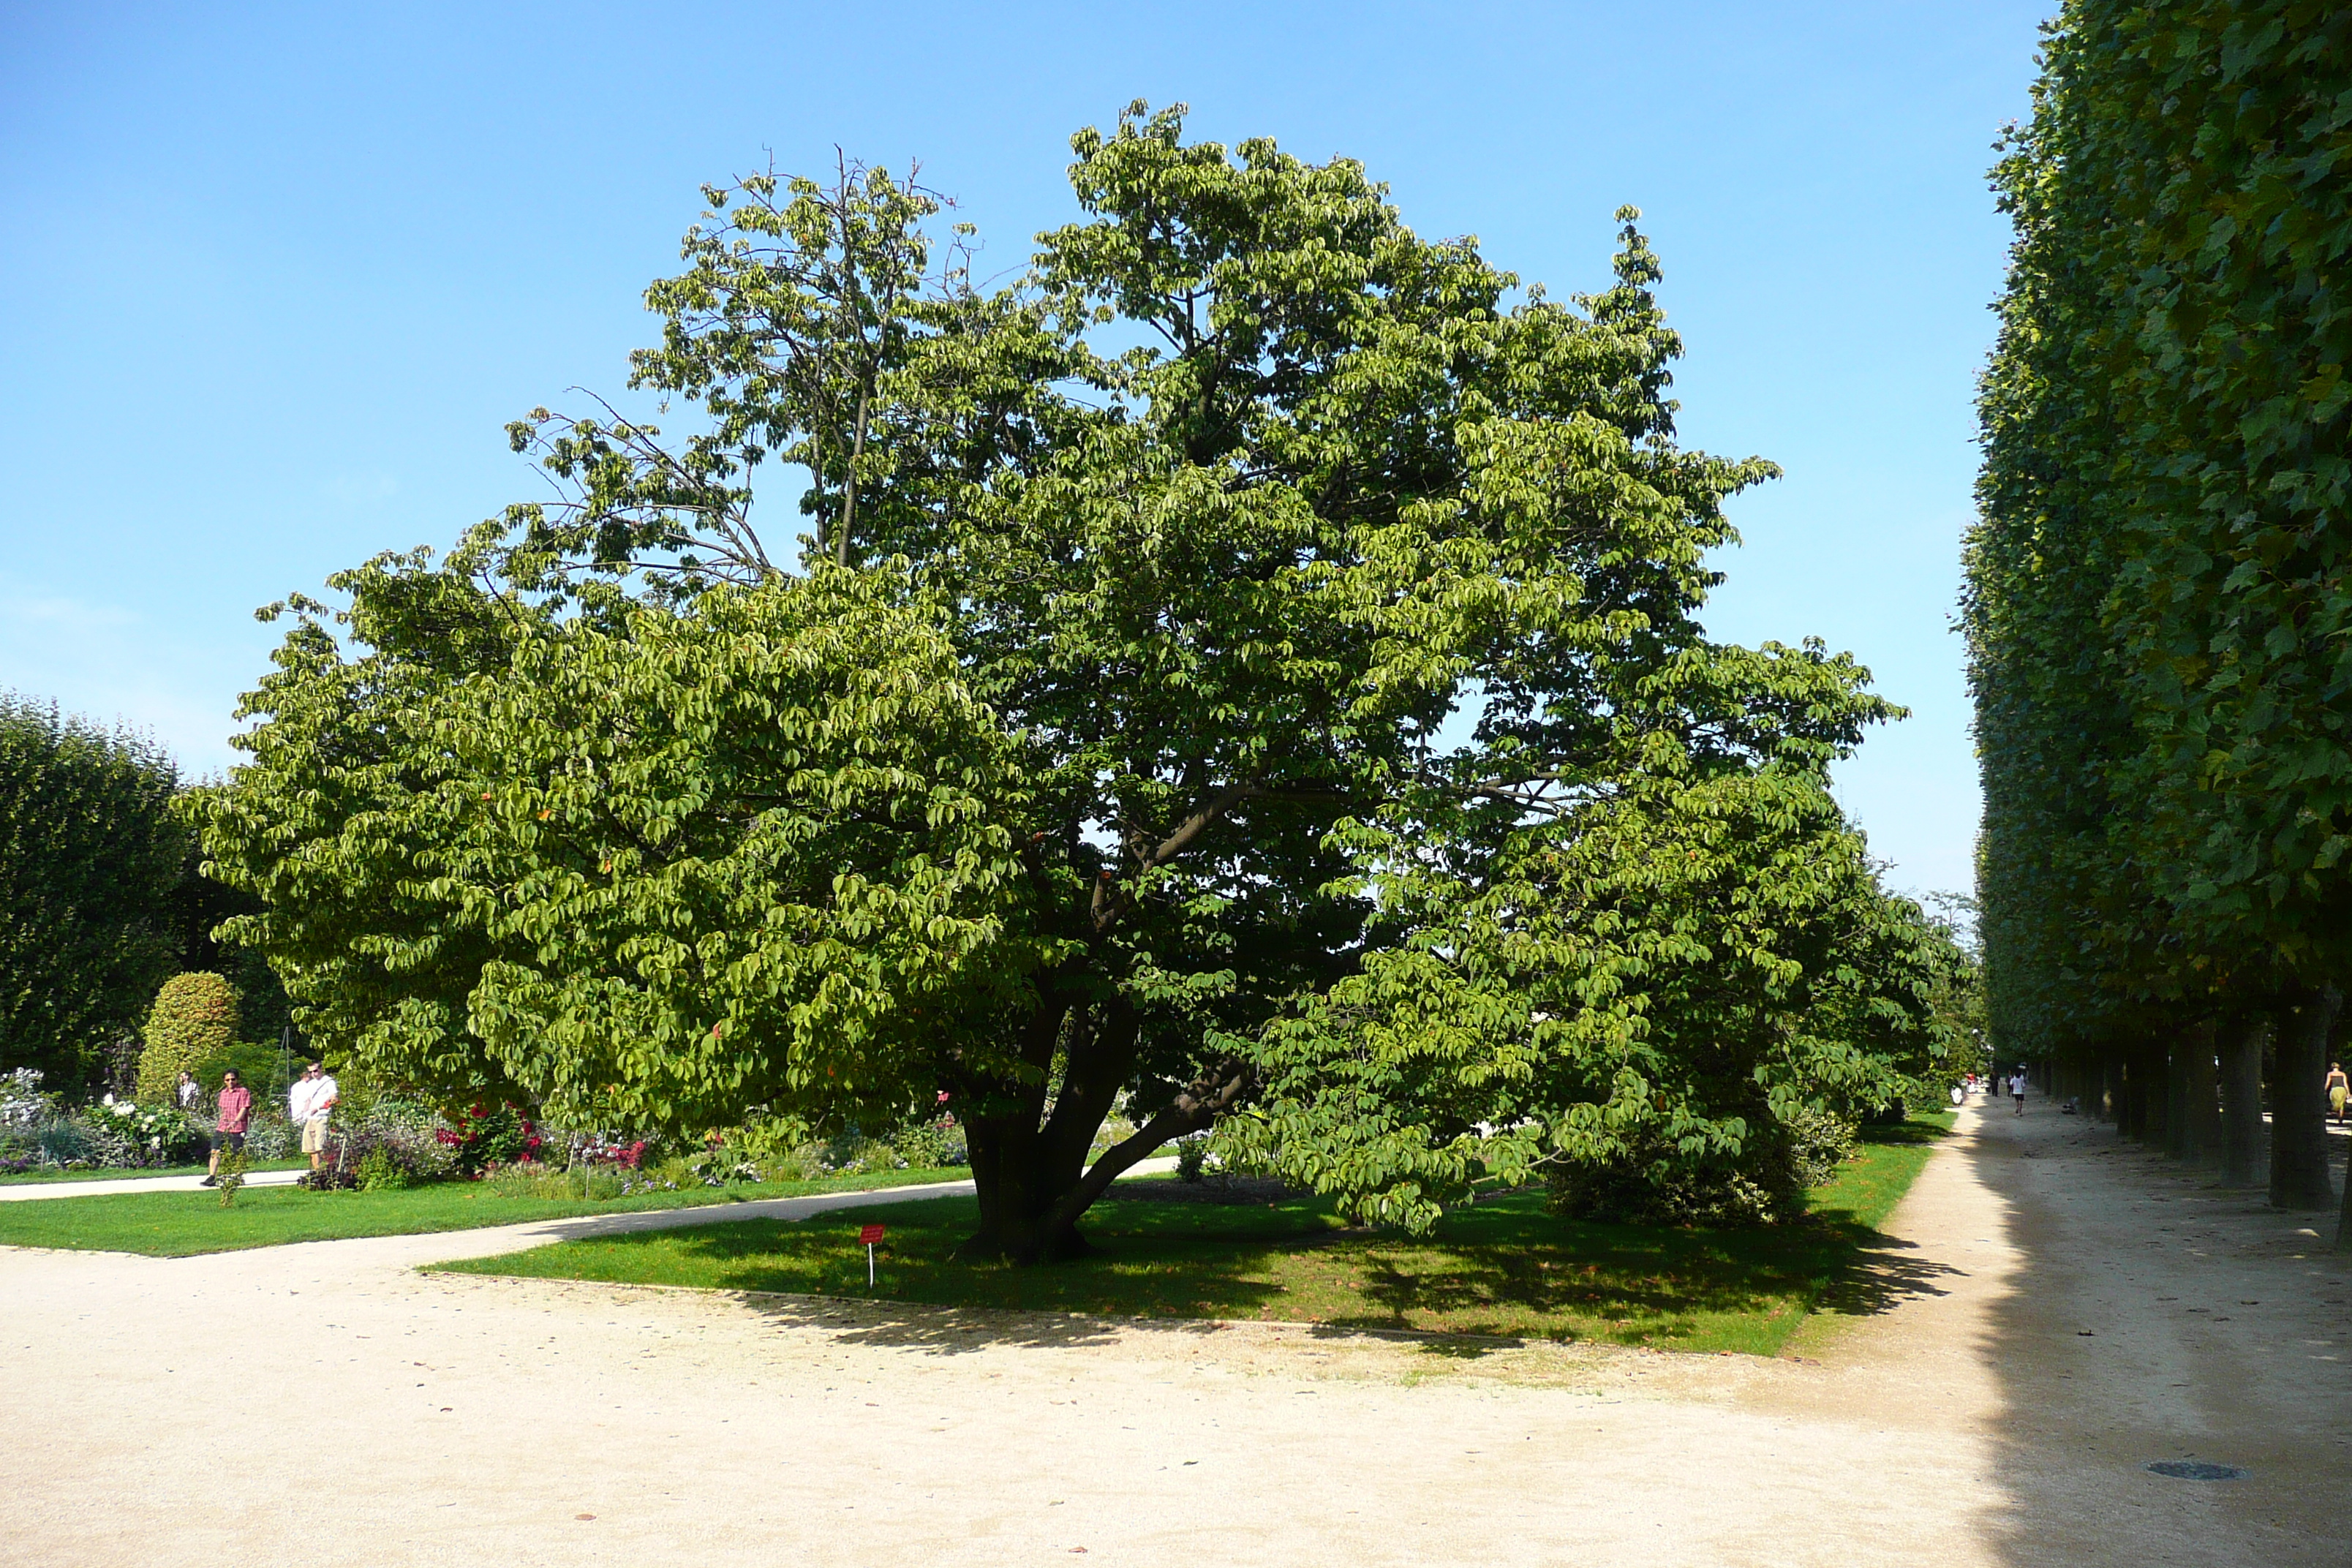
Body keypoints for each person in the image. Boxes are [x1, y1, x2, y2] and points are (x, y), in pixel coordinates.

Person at [201, 1070, 252, 1186]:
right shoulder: (223, 1093)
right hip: (223, 1126)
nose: (230, 1082)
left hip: (237, 1127)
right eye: (227, 1080)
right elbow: (222, 1110)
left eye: (233, 1079)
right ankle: (212, 1177)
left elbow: (244, 1108)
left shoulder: (243, 1092)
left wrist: (236, 1121)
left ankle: (237, 1176)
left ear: (237, 1079)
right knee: (215, 1150)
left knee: (236, 1153)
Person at [290, 1060, 339, 1172]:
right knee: (310, 1147)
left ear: (321, 1069)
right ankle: (317, 1171)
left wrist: (320, 1108)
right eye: (311, 1072)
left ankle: (325, 1170)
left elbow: (334, 1099)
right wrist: (302, 1113)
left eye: (315, 1071)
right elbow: (309, 1100)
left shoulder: (329, 1082)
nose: (314, 1074)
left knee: (320, 1146)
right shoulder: (311, 1084)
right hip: (310, 1118)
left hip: (323, 1117)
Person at [2326, 1061, 2350, 1126]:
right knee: (2342, 1105)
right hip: (2342, 1090)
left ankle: (2338, 1117)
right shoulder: (2343, 1074)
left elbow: (2328, 1083)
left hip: (2335, 1090)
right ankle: (2341, 1119)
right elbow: (2345, 1084)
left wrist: (2324, 1090)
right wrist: (2348, 1092)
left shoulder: (2330, 1074)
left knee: (2336, 1104)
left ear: (2332, 1067)